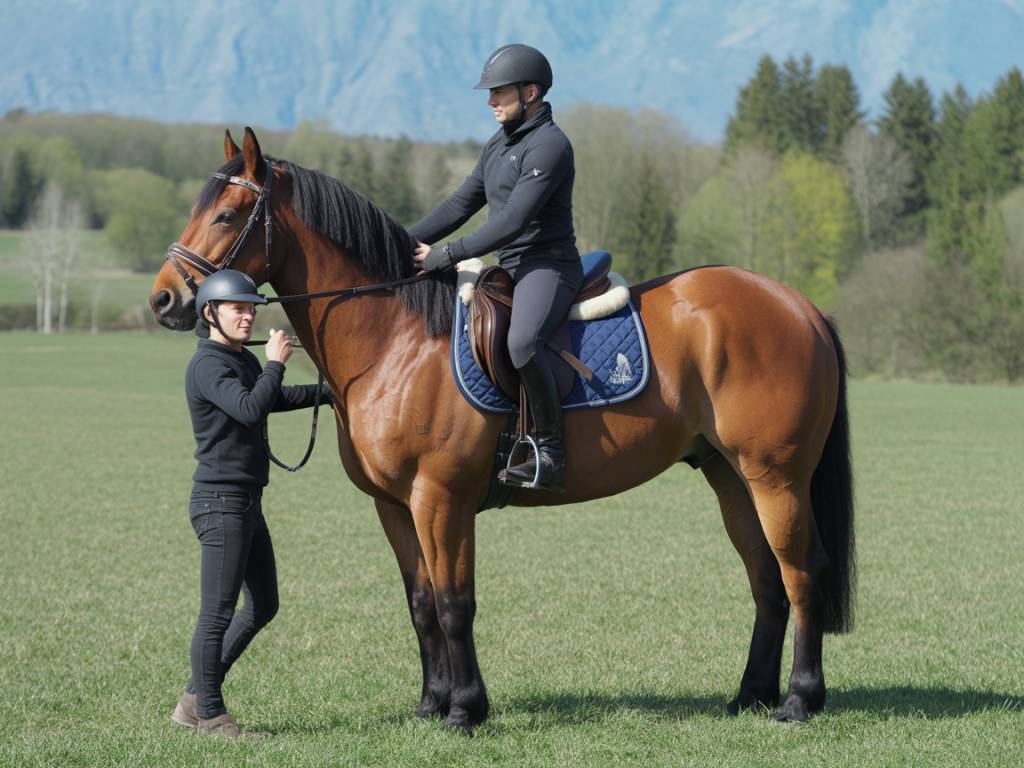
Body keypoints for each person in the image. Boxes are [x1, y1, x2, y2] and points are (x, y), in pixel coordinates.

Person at [411, 43, 581, 493]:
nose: (490, 103)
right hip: (511, 265)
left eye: (499, 93)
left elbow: (512, 222)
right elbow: (461, 203)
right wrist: (404, 242)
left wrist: (445, 255)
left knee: (522, 342)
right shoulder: (500, 143)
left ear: (531, 92)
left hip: (548, 266)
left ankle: (550, 452)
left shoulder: (550, 146)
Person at [169, 269, 331, 738]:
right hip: (220, 503)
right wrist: (277, 361)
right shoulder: (207, 365)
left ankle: (193, 700)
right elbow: (248, 407)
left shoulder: (238, 359)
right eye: (237, 308)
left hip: (243, 501)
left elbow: (272, 398)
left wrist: (334, 393)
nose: (247, 316)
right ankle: (212, 717)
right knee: (217, 613)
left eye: (250, 308)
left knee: (264, 604)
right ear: (210, 313)